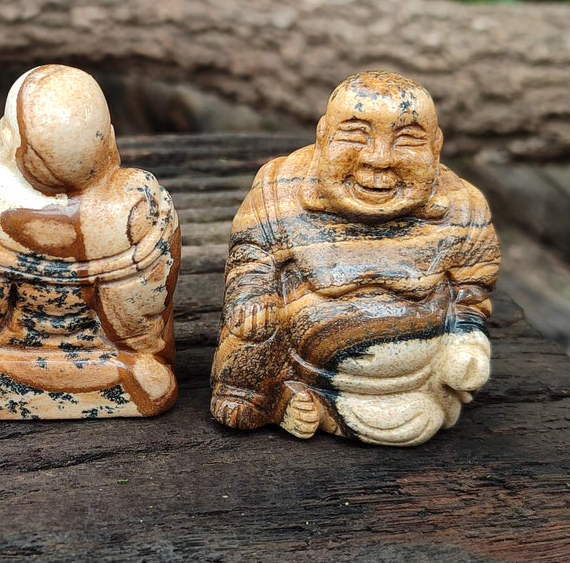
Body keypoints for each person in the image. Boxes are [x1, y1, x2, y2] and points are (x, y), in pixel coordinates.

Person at [211, 71, 499, 446]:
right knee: (251, 328)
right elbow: (251, 254)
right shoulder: (279, 186)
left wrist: (467, 342)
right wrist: (252, 297)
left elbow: (472, 290)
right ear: (322, 137)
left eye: (408, 140)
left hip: (416, 378)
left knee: (422, 414)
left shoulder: (463, 206)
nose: (379, 160)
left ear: (436, 146)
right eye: (355, 136)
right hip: (302, 362)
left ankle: (343, 411)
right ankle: (268, 398)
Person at [0, 64, 180, 419]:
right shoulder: (144, 206)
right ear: (110, 140)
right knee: (151, 376)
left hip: (2, 361)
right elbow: (140, 335)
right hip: (108, 365)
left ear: (6, 137)